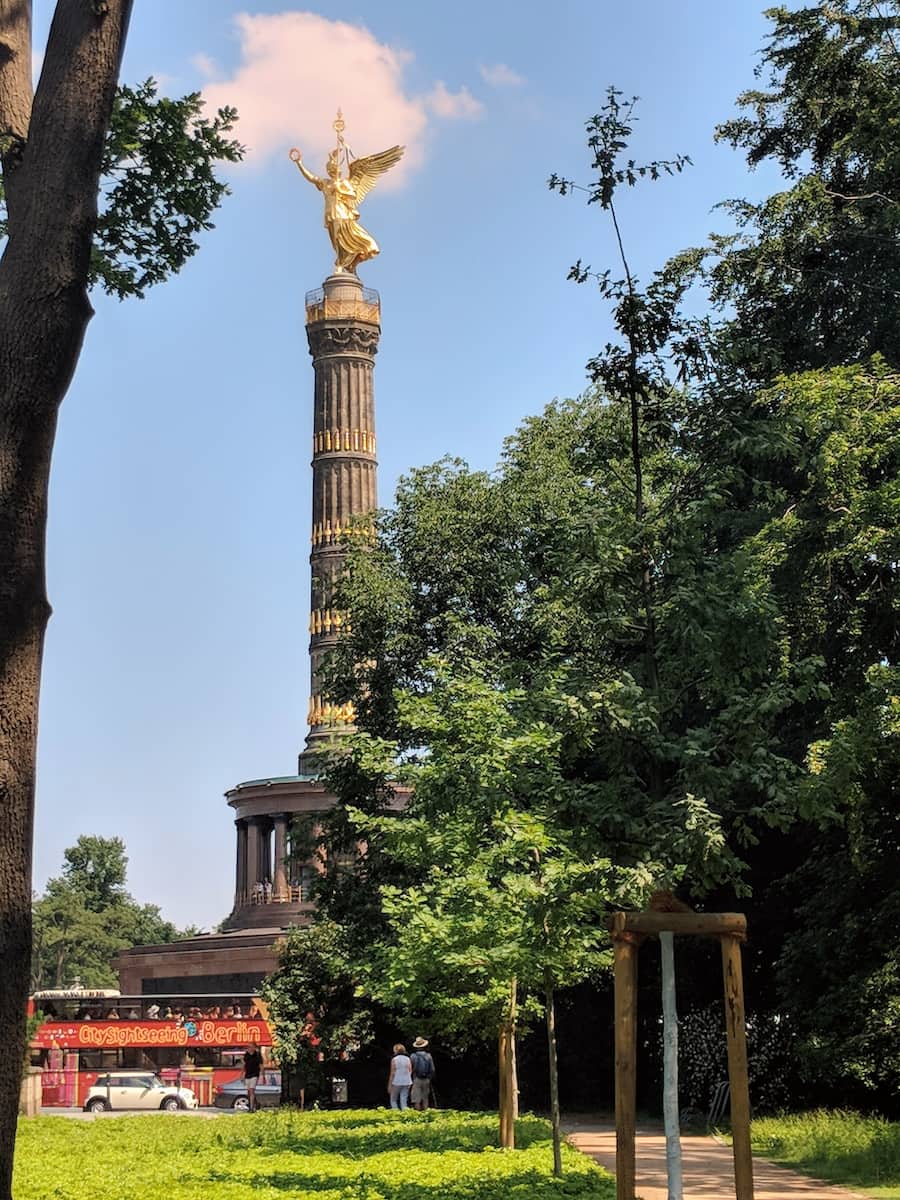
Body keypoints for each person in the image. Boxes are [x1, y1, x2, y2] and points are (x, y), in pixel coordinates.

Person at [409, 1037, 435, 1111]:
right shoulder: (428, 1056)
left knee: (416, 1099)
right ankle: (426, 1115)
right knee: (425, 1098)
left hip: (416, 1079)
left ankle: (418, 1115)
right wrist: (429, 1078)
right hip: (426, 1079)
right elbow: (432, 1069)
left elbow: (410, 1068)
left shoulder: (413, 1056)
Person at [387, 1043, 413, 1111]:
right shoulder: (408, 1059)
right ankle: (405, 1114)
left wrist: (389, 1085)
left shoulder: (394, 1059)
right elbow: (410, 1070)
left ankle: (396, 1113)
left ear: (395, 1050)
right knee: (404, 1099)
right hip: (407, 1081)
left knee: (393, 1099)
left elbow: (392, 1073)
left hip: (397, 1081)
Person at [243, 1044, 262, 1112]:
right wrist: (242, 1075)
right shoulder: (246, 1055)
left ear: (254, 1048)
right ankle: (256, 1104)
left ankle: (251, 1108)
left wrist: (263, 1075)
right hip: (247, 1075)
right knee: (249, 1092)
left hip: (255, 1074)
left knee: (251, 1090)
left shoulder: (257, 1055)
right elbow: (244, 1065)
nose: (250, 1048)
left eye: (251, 1047)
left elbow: (261, 1065)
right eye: (248, 1047)